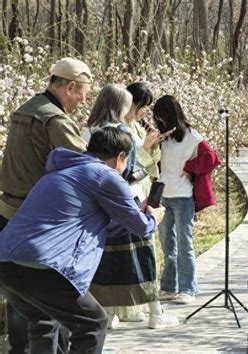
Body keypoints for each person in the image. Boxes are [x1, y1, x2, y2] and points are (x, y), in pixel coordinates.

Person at [0, 127, 163, 354]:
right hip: (46, 266)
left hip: (7, 263)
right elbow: (140, 227)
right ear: (120, 158)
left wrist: (137, 213)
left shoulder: (59, 173)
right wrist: (152, 217)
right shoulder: (106, 175)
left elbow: (105, 226)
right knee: (93, 323)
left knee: (44, 321)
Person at [0, 57, 92, 353]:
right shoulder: (55, 119)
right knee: (51, 311)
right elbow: (88, 171)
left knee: (22, 300)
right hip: (37, 225)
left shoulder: (23, 110)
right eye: (82, 95)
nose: (81, 103)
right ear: (69, 87)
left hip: (6, 216)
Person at [84, 84, 178, 330]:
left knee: (107, 259)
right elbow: (133, 167)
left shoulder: (88, 130)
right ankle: (155, 312)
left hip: (96, 203)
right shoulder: (120, 132)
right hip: (130, 199)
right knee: (143, 256)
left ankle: (108, 313)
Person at [152, 95, 220, 304]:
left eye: (160, 116)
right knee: (167, 244)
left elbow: (212, 158)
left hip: (183, 196)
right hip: (163, 195)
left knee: (184, 244)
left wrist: (190, 168)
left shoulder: (191, 136)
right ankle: (169, 286)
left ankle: (188, 288)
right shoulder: (162, 137)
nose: (157, 120)